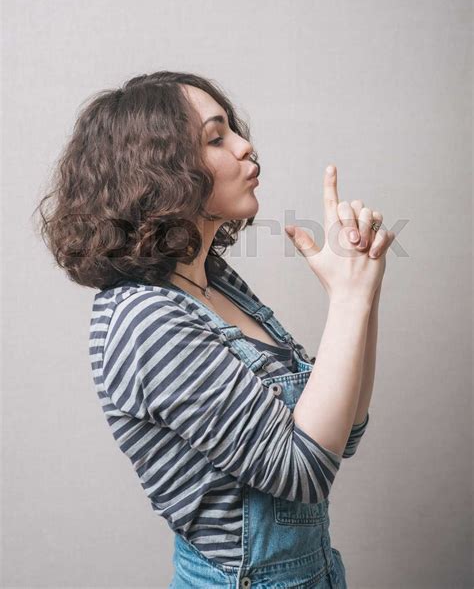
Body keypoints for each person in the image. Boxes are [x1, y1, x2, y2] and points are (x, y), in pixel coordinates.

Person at [34, 70, 394, 588]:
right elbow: (306, 470)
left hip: (314, 573)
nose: (247, 147)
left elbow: (344, 433)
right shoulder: (147, 320)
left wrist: (365, 289)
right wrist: (348, 297)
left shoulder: (214, 283)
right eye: (216, 137)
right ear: (160, 171)